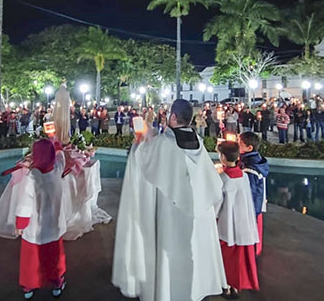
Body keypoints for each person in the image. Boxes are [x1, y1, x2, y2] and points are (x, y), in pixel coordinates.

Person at [112, 99, 227, 301]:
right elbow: (214, 186)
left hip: (170, 218)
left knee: (168, 256)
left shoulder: (162, 144)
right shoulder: (198, 143)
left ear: (173, 116)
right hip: (198, 218)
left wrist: (140, 141)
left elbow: (143, 159)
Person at [16, 139, 68, 299]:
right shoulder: (57, 170)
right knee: (54, 257)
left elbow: (24, 204)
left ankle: (29, 287)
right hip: (54, 227)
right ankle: (57, 284)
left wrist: (20, 224)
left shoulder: (32, 178)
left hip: (35, 230)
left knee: (32, 260)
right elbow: (61, 159)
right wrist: (57, 146)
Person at [216, 141, 260, 299]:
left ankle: (226, 285)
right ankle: (235, 285)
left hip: (227, 223)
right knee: (238, 258)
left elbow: (217, 204)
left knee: (226, 256)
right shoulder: (244, 176)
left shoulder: (223, 179)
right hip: (243, 222)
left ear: (222, 157)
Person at [238, 131, 269, 257]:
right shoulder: (254, 161)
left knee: (250, 237)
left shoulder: (250, 168)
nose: (237, 145)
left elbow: (250, 192)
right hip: (255, 209)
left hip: (251, 210)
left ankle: (250, 256)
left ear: (249, 148)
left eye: (239, 143)